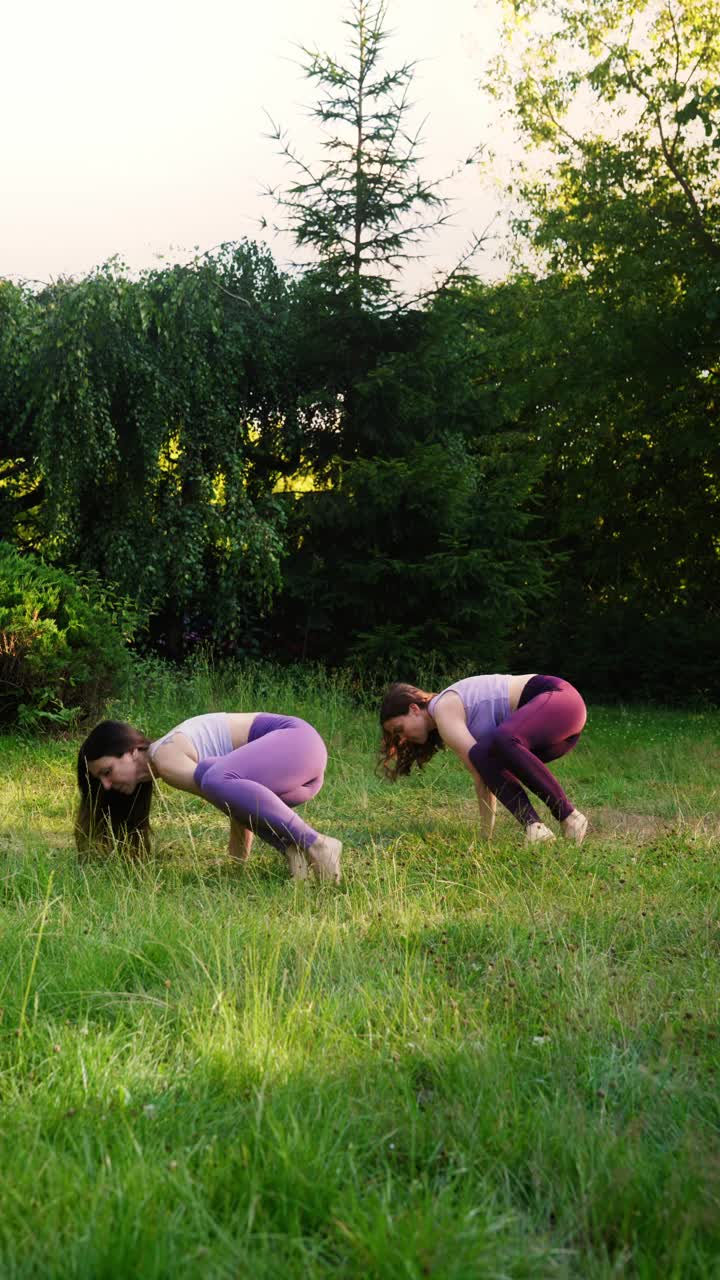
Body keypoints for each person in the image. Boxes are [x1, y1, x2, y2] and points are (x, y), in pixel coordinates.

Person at [75, 711, 342, 880]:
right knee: (223, 782)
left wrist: (237, 860)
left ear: (131, 750)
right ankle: (295, 851)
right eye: (101, 779)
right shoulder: (166, 759)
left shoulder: (165, 758)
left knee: (212, 777)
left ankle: (317, 844)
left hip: (297, 743)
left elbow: (224, 792)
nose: (107, 785)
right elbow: (238, 801)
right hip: (295, 769)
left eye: (107, 771)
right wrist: (238, 864)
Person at [379, 674, 588, 844]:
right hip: (548, 733)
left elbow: (481, 776)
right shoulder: (444, 716)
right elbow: (485, 770)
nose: (403, 739)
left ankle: (569, 816)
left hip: (561, 700)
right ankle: (536, 829)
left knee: (498, 743)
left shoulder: (443, 709)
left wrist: (484, 838)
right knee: (484, 754)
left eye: (400, 729)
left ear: (414, 709)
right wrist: (486, 838)